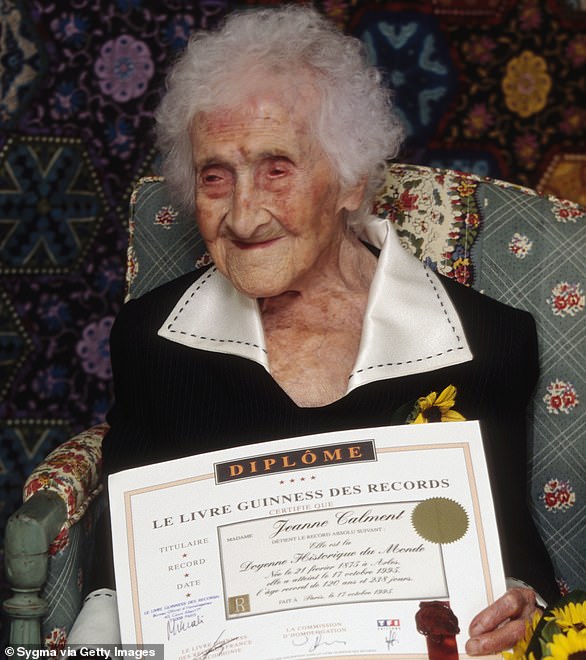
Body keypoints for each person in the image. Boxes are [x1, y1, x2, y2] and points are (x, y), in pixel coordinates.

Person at [91, 5, 558, 655]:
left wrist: (519, 601)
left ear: (349, 180)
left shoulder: (484, 344)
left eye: (276, 168)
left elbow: (513, 550)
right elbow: (122, 546)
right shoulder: (154, 340)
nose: (243, 215)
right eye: (214, 176)